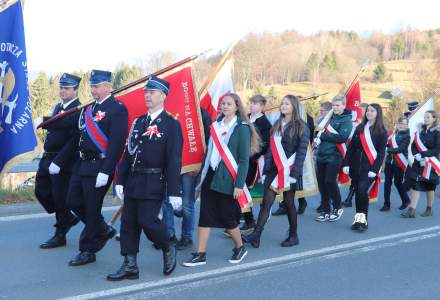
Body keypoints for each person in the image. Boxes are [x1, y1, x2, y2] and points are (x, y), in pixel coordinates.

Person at [107, 76, 183, 280]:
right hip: (133, 181)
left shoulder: (171, 124)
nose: (147, 96)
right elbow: (128, 153)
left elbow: (174, 160)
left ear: (163, 96)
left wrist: (175, 191)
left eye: (152, 92)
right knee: (128, 223)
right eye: (146, 92)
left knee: (148, 222)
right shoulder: (139, 122)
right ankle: (130, 264)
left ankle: (167, 246)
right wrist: (120, 181)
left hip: (154, 181)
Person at [183, 93, 260, 266]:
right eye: (223, 103)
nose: (225, 106)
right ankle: (200, 253)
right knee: (205, 214)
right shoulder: (215, 125)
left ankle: (240, 247)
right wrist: (200, 176)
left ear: (237, 107)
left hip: (229, 177)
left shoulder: (241, 128)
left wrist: (239, 184)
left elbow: (243, 160)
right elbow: (209, 154)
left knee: (227, 215)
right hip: (211, 175)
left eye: (229, 104)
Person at [66, 70, 128, 266]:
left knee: (92, 209)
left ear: (108, 87)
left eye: (97, 86)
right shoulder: (89, 108)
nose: (93, 89)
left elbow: (117, 144)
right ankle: (102, 229)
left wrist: (106, 170)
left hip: (100, 166)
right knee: (73, 201)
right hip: (82, 163)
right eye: (92, 86)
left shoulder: (117, 109)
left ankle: (88, 250)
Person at [243, 95, 309, 248]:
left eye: (287, 103)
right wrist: (266, 170)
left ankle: (293, 235)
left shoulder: (301, 126)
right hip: (274, 170)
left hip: (291, 171)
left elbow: (301, 152)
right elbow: (271, 151)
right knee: (267, 202)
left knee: (288, 203)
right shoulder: (277, 124)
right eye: (282, 103)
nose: (283, 106)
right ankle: (256, 235)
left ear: (294, 106)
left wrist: (294, 174)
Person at [35, 73, 82, 249]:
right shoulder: (58, 107)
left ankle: (60, 234)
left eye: (67, 88)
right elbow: (53, 131)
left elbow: (73, 139)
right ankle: (68, 217)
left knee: (59, 197)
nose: (62, 91)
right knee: (41, 190)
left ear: (75, 90)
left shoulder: (78, 109)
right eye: (61, 87)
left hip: (62, 161)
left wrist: (60, 161)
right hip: (48, 156)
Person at [342, 103, 387, 232]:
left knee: (362, 191)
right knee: (358, 193)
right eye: (367, 111)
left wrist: (375, 170)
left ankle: (364, 221)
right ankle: (358, 220)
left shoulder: (382, 132)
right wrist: (346, 163)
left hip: (370, 169)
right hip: (356, 167)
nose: (369, 113)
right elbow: (351, 148)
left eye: (372, 111)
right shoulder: (360, 128)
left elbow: (381, 153)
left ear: (377, 113)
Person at [314, 95, 352, 222]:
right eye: (334, 105)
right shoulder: (327, 118)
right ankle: (325, 210)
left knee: (330, 181)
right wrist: (317, 137)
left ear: (343, 106)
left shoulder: (346, 120)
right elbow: (318, 130)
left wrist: (324, 136)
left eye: (338, 105)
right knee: (321, 184)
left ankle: (337, 207)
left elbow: (342, 137)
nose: (335, 108)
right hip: (321, 155)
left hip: (334, 156)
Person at [240, 95, 272, 232]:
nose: (251, 105)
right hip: (241, 159)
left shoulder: (265, 123)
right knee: (239, 188)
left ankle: (249, 221)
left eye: (255, 103)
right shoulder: (245, 118)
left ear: (262, 106)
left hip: (253, 162)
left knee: (244, 189)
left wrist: (250, 155)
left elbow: (264, 145)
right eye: (251, 103)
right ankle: (242, 217)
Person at [401, 110, 440, 218]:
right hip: (419, 163)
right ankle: (411, 210)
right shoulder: (420, 131)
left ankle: (429, 208)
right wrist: (416, 154)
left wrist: (423, 154)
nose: (425, 119)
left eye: (428, 117)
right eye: (425, 117)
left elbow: (437, 149)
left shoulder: (437, 132)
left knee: (430, 186)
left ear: (434, 119)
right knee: (415, 184)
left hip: (431, 163)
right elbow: (413, 145)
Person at [342, 102, 369, 207]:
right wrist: (346, 162)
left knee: (359, 182)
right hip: (355, 157)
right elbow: (352, 145)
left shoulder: (372, 127)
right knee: (354, 179)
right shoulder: (358, 125)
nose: (361, 112)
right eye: (360, 110)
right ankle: (350, 199)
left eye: (363, 110)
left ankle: (351, 199)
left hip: (366, 159)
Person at [381, 116, 411, 211]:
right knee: (387, 183)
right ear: (397, 124)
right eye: (400, 123)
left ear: (407, 125)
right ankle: (386, 204)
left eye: (404, 124)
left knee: (398, 183)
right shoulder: (393, 134)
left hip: (399, 163)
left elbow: (400, 149)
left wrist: (387, 149)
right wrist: (383, 144)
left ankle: (405, 200)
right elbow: (388, 144)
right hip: (389, 161)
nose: (401, 125)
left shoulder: (407, 136)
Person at [314, 101, 332, 213]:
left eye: (323, 110)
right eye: (320, 110)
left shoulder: (331, 122)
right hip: (318, 154)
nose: (320, 112)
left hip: (329, 155)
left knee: (327, 181)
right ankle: (324, 201)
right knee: (320, 181)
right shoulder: (320, 121)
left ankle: (328, 203)